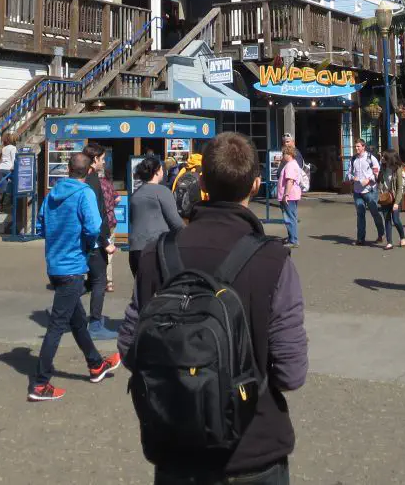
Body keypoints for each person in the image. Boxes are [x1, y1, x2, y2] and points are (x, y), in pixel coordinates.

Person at [118, 132, 308, 484]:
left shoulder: (157, 253)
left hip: (175, 445)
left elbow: (130, 348)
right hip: (254, 448)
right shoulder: (274, 260)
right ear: (255, 185)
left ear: (202, 182)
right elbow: (290, 372)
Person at [28, 152, 122, 402]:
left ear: (68, 169)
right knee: (57, 326)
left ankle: (96, 364)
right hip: (73, 266)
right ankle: (40, 383)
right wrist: (88, 246)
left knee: (78, 321)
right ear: (89, 170)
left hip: (54, 264)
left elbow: (41, 225)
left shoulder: (52, 194)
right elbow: (93, 227)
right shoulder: (84, 194)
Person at [128, 155, 184, 277]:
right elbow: (176, 222)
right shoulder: (162, 191)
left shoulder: (135, 194)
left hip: (135, 250)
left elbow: (133, 220)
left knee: (141, 286)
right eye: (162, 169)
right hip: (155, 249)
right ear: (157, 172)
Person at [82, 143, 117, 337]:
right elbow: (98, 214)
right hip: (95, 240)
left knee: (80, 281)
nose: (104, 162)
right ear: (94, 159)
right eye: (102, 159)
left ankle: (70, 317)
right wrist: (105, 241)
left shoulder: (78, 179)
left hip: (81, 239)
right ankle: (95, 323)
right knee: (98, 281)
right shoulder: (93, 180)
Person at [349, 140, 384, 246]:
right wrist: (352, 178)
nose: (356, 148)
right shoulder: (353, 159)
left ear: (363, 147)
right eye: (355, 146)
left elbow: (377, 172)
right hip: (357, 191)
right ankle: (360, 239)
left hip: (370, 190)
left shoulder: (371, 158)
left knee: (375, 213)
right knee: (360, 214)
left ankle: (381, 234)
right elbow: (349, 173)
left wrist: (368, 180)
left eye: (358, 146)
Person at [376, 150, 405, 249]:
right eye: (382, 157)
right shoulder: (382, 167)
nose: (382, 158)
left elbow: (399, 188)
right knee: (387, 219)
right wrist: (379, 187)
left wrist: (396, 203)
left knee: (396, 220)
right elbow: (380, 181)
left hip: (395, 197)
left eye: (384, 157)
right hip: (385, 197)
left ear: (390, 158)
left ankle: (402, 237)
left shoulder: (398, 169)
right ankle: (389, 242)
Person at [277, 145, 303, 248]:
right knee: (291, 217)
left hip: (289, 196)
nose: (283, 156)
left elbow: (290, 180)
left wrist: (286, 195)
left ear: (289, 154)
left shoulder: (290, 165)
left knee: (289, 218)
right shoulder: (293, 164)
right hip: (292, 195)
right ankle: (291, 237)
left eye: (284, 153)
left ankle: (293, 240)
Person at [0, 132, 17, 196]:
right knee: (17, 184)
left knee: (3, 190)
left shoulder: (3, 148)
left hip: (1, 169)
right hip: (9, 169)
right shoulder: (13, 148)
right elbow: (14, 159)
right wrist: (14, 168)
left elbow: (3, 159)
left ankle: (2, 201)